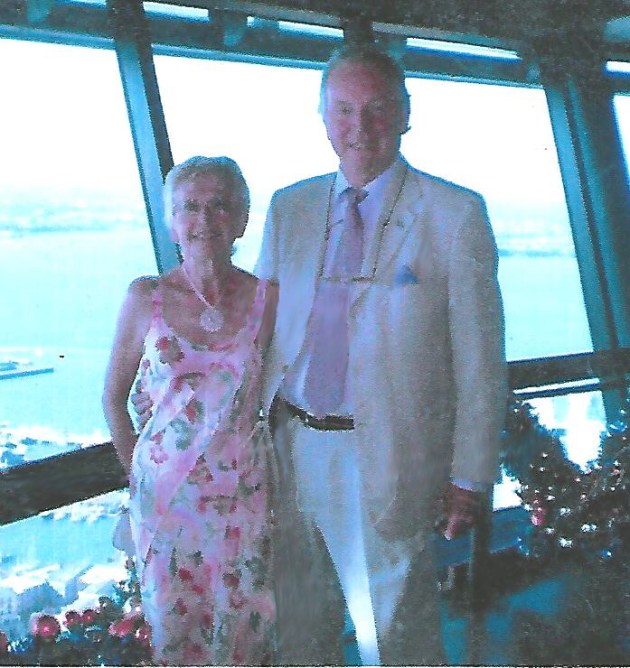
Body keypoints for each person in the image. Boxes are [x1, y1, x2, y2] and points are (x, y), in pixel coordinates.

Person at [254, 43, 507, 665]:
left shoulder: (454, 214)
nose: (359, 127)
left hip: (386, 455)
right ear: (323, 116)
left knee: (393, 641)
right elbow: (257, 330)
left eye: (376, 109)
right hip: (291, 450)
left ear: (405, 113)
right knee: (301, 635)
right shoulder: (290, 207)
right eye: (343, 110)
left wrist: (470, 478)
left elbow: (480, 363)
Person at [102, 156, 278, 666]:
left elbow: (282, 391)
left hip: (244, 499)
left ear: (241, 218)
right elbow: (113, 398)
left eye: (219, 205)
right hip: (166, 504)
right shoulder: (146, 298)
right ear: (172, 221)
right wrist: (138, 475)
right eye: (190, 207)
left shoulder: (268, 300)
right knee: (177, 639)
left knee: (245, 638)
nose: (204, 219)